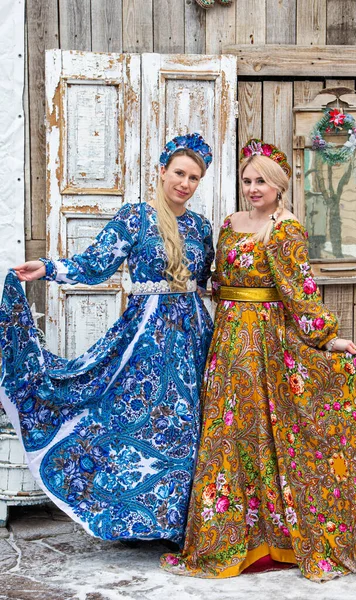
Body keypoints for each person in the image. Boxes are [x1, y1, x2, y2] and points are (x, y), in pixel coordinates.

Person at [160, 139, 356, 581]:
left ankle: (279, 539)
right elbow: (215, 280)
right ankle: (234, 540)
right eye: (248, 181)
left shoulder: (285, 229)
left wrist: (327, 340)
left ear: (279, 186)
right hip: (227, 341)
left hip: (264, 341)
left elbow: (299, 292)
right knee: (227, 435)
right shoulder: (229, 224)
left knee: (258, 433)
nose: (254, 188)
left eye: (262, 182)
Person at [0, 133, 215, 544]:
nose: (185, 183)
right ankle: (140, 518)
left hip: (192, 336)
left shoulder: (201, 227)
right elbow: (95, 264)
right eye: (179, 173)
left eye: (194, 178)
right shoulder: (135, 218)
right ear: (162, 171)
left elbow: (206, 281)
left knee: (189, 424)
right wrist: (47, 268)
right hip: (146, 337)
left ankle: (179, 523)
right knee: (139, 421)